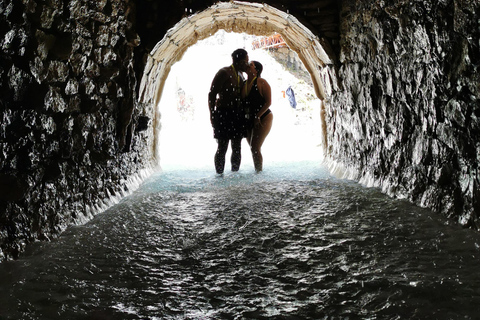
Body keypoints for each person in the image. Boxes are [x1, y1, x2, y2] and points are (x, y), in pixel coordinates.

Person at [208, 48, 249, 174]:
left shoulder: (242, 75)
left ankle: (234, 175)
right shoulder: (224, 72)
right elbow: (212, 94)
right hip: (223, 113)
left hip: (237, 114)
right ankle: (219, 175)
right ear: (241, 61)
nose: (247, 63)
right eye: (246, 61)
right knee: (222, 146)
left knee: (237, 147)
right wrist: (212, 114)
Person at [242, 60, 272, 172]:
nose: (248, 66)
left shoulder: (261, 82)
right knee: (252, 148)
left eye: (251, 65)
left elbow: (268, 102)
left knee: (255, 147)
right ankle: (257, 171)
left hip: (264, 116)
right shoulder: (244, 83)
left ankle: (259, 174)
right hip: (248, 118)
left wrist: (258, 116)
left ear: (256, 70)